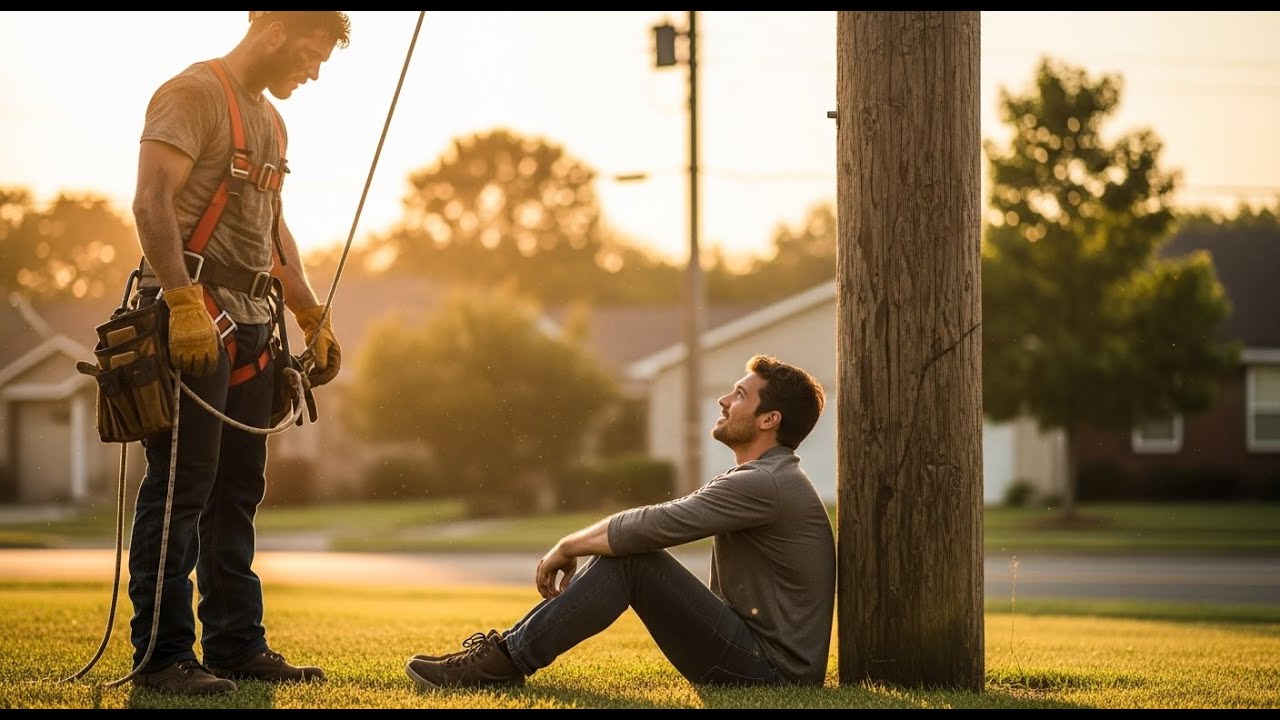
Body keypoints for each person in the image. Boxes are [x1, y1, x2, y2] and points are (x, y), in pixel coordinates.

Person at [126, 11, 350, 696]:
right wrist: (184, 304)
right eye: (309, 56)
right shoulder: (192, 94)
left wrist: (310, 312)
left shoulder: (272, 122)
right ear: (276, 29)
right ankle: (163, 657)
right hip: (198, 319)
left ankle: (233, 645)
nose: (312, 74)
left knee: (237, 493)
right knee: (181, 491)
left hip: (258, 325)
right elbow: (150, 201)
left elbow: (274, 225)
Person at [406, 354, 835, 690]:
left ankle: (502, 663)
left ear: (768, 419)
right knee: (630, 557)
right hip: (755, 656)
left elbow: (652, 525)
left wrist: (569, 544)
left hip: (769, 671)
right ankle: (501, 656)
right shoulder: (765, 478)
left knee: (632, 560)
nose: (724, 401)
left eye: (740, 395)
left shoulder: (766, 483)